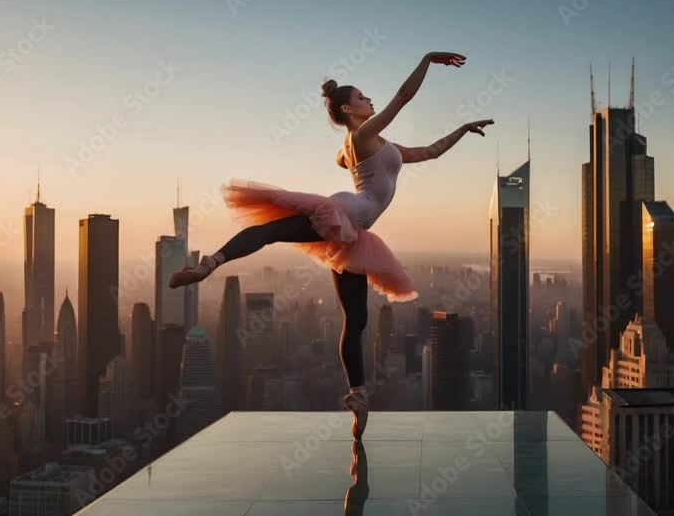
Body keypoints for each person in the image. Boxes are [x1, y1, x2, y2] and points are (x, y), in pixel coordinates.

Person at [169, 51, 494, 438]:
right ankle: (209, 264)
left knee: (356, 320)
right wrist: (428, 59)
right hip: (347, 213)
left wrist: (462, 128)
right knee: (275, 229)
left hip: (355, 233)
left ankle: (357, 394)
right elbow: (404, 96)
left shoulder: (375, 143)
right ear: (348, 109)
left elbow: (430, 152)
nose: (370, 100)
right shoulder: (362, 135)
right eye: (362, 98)